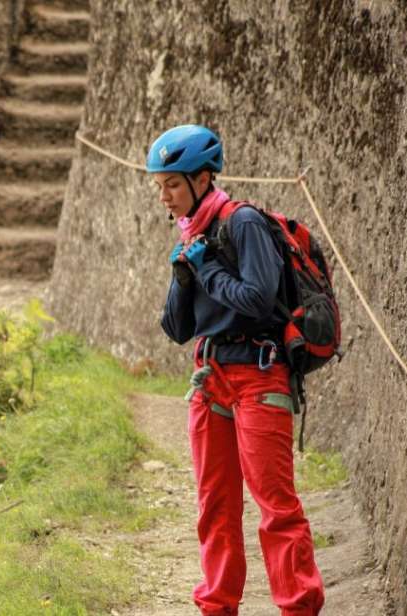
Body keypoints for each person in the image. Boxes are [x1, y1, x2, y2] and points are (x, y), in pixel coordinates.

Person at [150, 124, 325, 616]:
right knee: (215, 508)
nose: (164, 196)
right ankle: (217, 607)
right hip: (210, 379)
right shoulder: (194, 232)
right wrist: (184, 277)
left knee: (276, 507)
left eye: (172, 184)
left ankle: (298, 608)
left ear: (203, 179)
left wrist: (206, 268)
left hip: (259, 375)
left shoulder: (241, 222)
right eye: (159, 185)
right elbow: (176, 329)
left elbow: (255, 300)